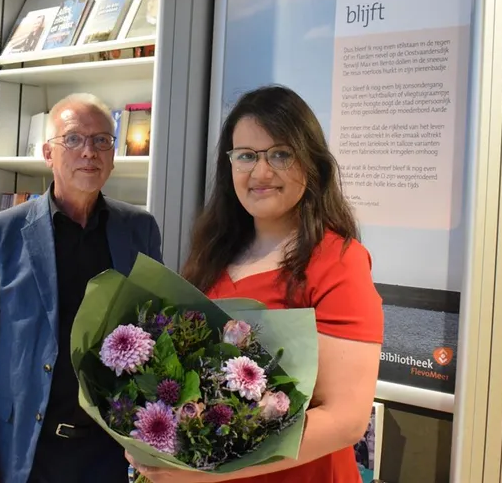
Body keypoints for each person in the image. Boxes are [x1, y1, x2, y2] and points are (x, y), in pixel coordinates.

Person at [129, 84, 383, 482]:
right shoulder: (212, 255)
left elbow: (346, 419)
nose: (261, 172)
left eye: (280, 154)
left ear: (310, 163)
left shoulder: (338, 261)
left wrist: (209, 473)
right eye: (246, 156)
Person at [0, 93, 164, 483]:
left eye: (102, 140)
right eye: (73, 139)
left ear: (113, 154)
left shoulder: (139, 229)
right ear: (48, 154)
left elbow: (157, 335)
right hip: (29, 451)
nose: (89, 152)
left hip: (112, 452)